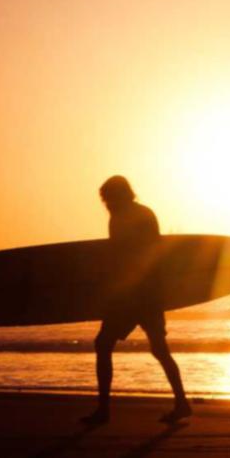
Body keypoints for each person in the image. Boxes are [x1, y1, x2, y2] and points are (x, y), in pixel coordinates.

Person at [81, 176, 192, 425]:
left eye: (108, 198)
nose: (106, 203)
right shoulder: (130, 214)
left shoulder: (132, 216)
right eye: (104, 199)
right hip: (147, 294)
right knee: (159, 350)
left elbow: (138, 255)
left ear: (121, 195)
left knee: (104, 344)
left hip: (135, 295)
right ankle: (182, 403)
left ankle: (103, 411)